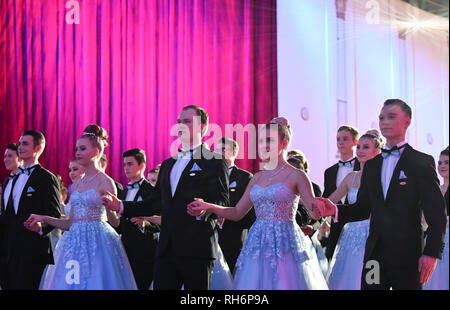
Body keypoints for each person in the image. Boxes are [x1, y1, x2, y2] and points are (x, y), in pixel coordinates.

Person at [317, 99, 447, 290]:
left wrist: (432, 252)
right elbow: (363, 208)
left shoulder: (421, 162)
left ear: (407, 121)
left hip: (408, 255)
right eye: (381, 118)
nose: (385, 122)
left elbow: (437, 213)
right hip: (374, 255)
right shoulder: (372, 165)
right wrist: (334, 209)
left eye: (391, 117)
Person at [188, 117, 328, 290]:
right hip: (258, 242)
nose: (264, 144)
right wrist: (208, 206)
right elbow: (237, 212)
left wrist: (322, 208)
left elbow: (313, 211)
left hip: (285, 242)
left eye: (270, 140)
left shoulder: (297, 175)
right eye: (262, 140)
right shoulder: (257, 178)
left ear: (284, 143)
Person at [102, 105, 230, 290]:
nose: (181, 125)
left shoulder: (214, 161)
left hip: (197, 247)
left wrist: (205, 209)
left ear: (202, 127)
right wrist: (121, 206)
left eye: (187, 121)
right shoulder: (169, 164)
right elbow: (154, 202)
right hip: (166, 248)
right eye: (179, 121)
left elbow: (223, 201)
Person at [25, 125, 137, 290]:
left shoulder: (105, 181)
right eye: (77, 148)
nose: (77, 152)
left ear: (97, 151)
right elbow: (70, 224)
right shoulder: (77, 185)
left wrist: (109, 206)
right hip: (73, 242)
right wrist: (44, 218)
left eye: (83, 148)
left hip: (99, 242)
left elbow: (115, 223)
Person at [0, 131, 61, 290]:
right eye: (19, 143)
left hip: (32, 249)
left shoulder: (46, 177)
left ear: (38, 148)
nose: (20, 147)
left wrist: (41, 228)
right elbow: (8, 217)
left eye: (25, 143)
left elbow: (54, 213)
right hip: (8, 251)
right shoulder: (9, 181)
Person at [325, 129, 383, 289]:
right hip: (350, 235)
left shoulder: (383, 178)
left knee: (371, 278)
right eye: (359, 147)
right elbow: (330, 201)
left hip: (373, 233)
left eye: (366, 147)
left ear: (377, 151)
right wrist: (307, 202)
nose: (360, 151)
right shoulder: (352, 177)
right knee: (348, 278)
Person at [113, 148, 159, 290]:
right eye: (124, 164)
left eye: (130, 164)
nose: (126, 168)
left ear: (142, 166)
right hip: (124, 249)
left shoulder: (152, 191)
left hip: (145, 251)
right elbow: (119, 224)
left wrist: (145, 223)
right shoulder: (123, 192)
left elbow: (164, 221)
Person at [215, 137, 255, 274]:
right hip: (210, 240)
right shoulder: (208, 177)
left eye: (223, 150)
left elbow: (251, 214)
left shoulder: (245, 178)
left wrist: (226, 217)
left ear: (234, 152)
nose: (218, 154)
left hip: (234, 240)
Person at [322, 125, 360, 262]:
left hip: (358, 225)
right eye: (338, 139)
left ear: (356, 142)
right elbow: (327, 197)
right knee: (333, 261)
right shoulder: (329, 172)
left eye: (345, 139)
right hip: (336, 225)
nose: (341, 142)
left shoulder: (364, 168)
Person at [424, 146, 449, 290]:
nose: (442, 166)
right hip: (434, 241)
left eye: (447, 162)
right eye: (440, 163)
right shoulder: (436, 189)